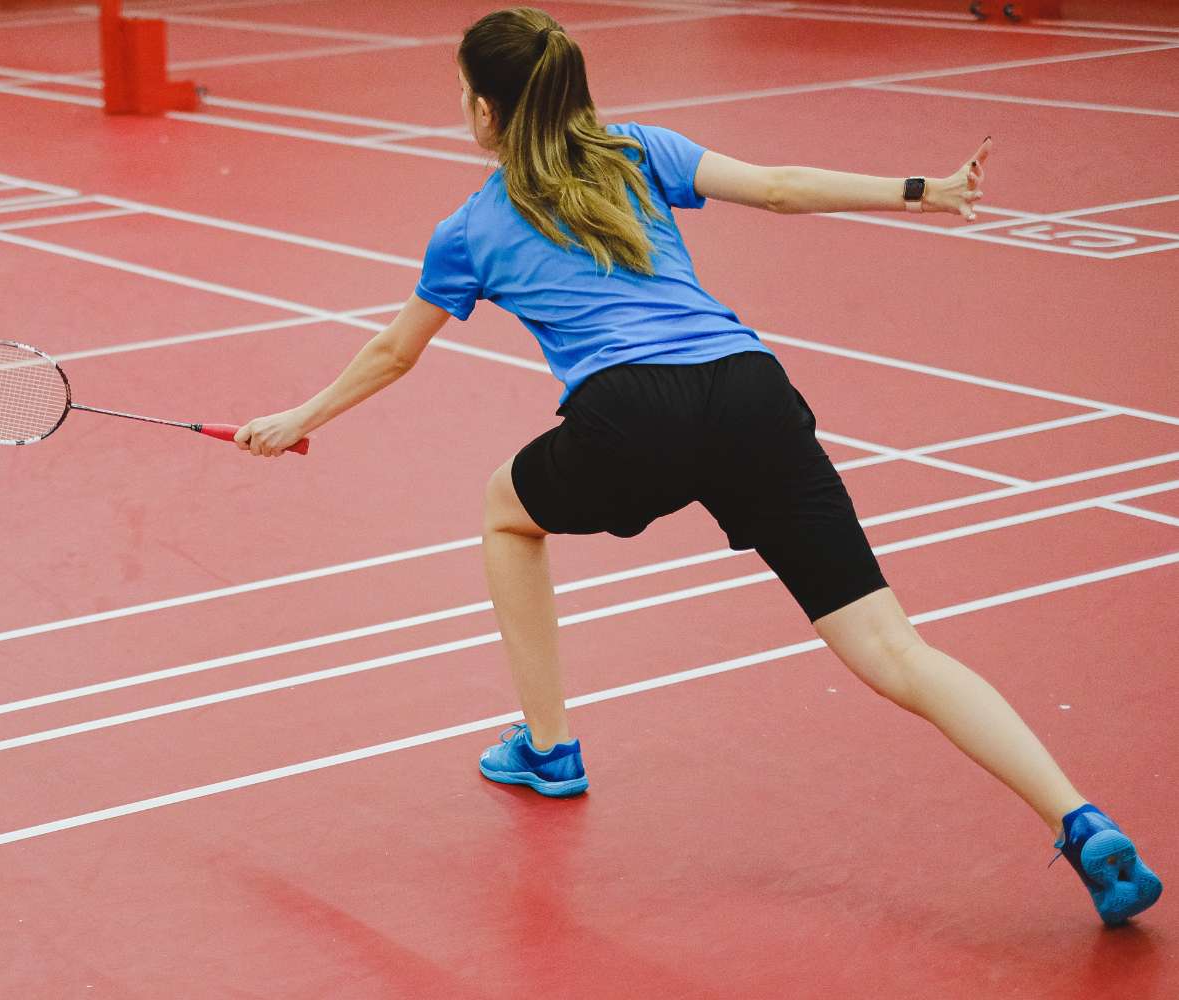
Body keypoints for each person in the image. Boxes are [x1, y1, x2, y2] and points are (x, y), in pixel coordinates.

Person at [234, 6, 1161, 925]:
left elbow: (397, 353)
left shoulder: (471, 228)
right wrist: (925, 189)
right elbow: (783, 187)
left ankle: (550, 748)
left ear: (485, 112)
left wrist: (295, 419)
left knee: (504, 513)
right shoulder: (639, 149)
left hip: (633, 413)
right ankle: (1078, 820)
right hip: (751, 389)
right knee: (891, 650)